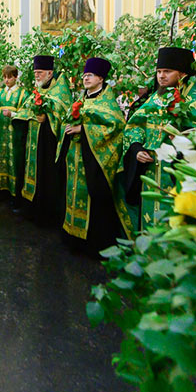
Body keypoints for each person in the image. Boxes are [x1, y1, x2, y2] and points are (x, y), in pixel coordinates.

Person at [119, 46, 196, 231]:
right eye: (158, 72)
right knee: (149, 217)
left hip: (176, 171)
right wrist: (136, 148)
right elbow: (136, 125)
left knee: (173, 219)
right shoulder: (155, 98)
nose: (161, 76)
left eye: (167, 71)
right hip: (150, 170)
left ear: (181, 74)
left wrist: (184, 139)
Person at [59, 58, 130, 255]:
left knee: (93, 198)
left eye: (89, 75)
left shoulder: (108, 102)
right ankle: (73, 236)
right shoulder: (81, 99)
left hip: (95, 162)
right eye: (84, 75)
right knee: (73, 193)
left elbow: (116, 127)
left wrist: (83, 129)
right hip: (75, 157)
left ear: (100, 78)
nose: (85, 78)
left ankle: (92, 244)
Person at [15, 55, 72, 229]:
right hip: (34, 142)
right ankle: (30, 209)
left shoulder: (61, 91)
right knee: (32, 173)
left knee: (46, 176)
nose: (37, 76)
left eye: (39, 73)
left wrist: (47, 116)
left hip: (49, 144)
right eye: (35, 73)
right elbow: (25, 108)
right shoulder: (38, 90)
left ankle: (46, 214)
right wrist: (32, 116)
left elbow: (64, 112)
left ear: (49, 72)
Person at [0, 65, 29, 202]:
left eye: (9, 77)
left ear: (16, 77)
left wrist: (12, 114)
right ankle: (0, 190)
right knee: (0, 160)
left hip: (14, 136)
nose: (6, 80)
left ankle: (14, 193)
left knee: (14, 162)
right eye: (4, 77)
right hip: (0, 134)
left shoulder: (23, 94)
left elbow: (26, 113)